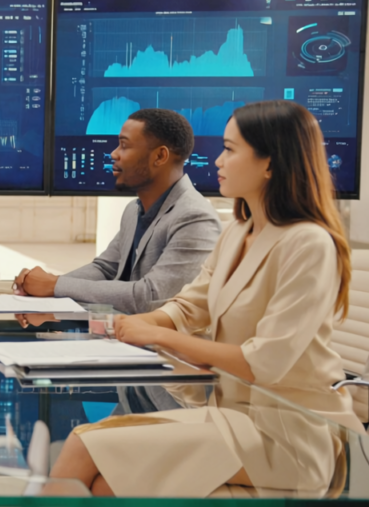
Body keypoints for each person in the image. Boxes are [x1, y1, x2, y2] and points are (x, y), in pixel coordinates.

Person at [49, 101, 365, 498]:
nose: (217, 160)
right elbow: (188, 305)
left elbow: (262, 362)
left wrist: (159, 337)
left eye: (230, 149)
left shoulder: (309, 244)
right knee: (99, 470)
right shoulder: (237, 232)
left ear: (270, 163)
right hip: (230, 418)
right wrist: (145, 324)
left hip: (286, 435)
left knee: (85, 445)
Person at [15, 108, 221, 315]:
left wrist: (55, 285)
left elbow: (150, 297)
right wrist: (43, 288)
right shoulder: (134, 209)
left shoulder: (196, 218)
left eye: (124, 145)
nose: (114, 153)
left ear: (159, 156)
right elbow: (105, 269)